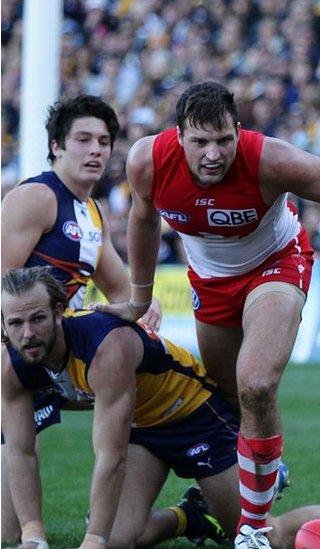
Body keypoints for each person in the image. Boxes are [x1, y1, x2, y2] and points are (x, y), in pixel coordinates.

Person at [94, 81, 320, 548]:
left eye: (224, 139)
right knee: (231, 400)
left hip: (277, 264)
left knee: (256, 381)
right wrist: (140, 297)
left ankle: (252, 530)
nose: (213, 154)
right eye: (200, 141)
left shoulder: (269, 158)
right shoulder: (147, 161)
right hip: (210, 282)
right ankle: (248, 496)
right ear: (178, 137)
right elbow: (143, 219)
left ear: (238, 132)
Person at [0, 267, 320, 548]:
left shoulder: (105, 345)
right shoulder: (13, 364)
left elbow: (110, 456)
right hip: (143, 429)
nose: (28, 334)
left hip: (196, 418)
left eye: (38, 319)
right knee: (117, 539)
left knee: (261, 537)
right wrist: (33, 535)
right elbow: (19, 451)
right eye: (15, 323)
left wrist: (91, 541)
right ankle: (192, 516)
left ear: (59, 312)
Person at [0, 94, 162, 545]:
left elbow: (124, 289)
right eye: (84, 139)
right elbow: (1, 288)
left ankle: (217, 453)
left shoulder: (89, 212)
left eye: (105, 142)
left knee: (144, 385)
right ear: (56, 146)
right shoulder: (35, 197)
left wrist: (147, 303)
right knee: (7, 532)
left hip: (56, 359)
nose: (96, 150)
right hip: (22, 357)